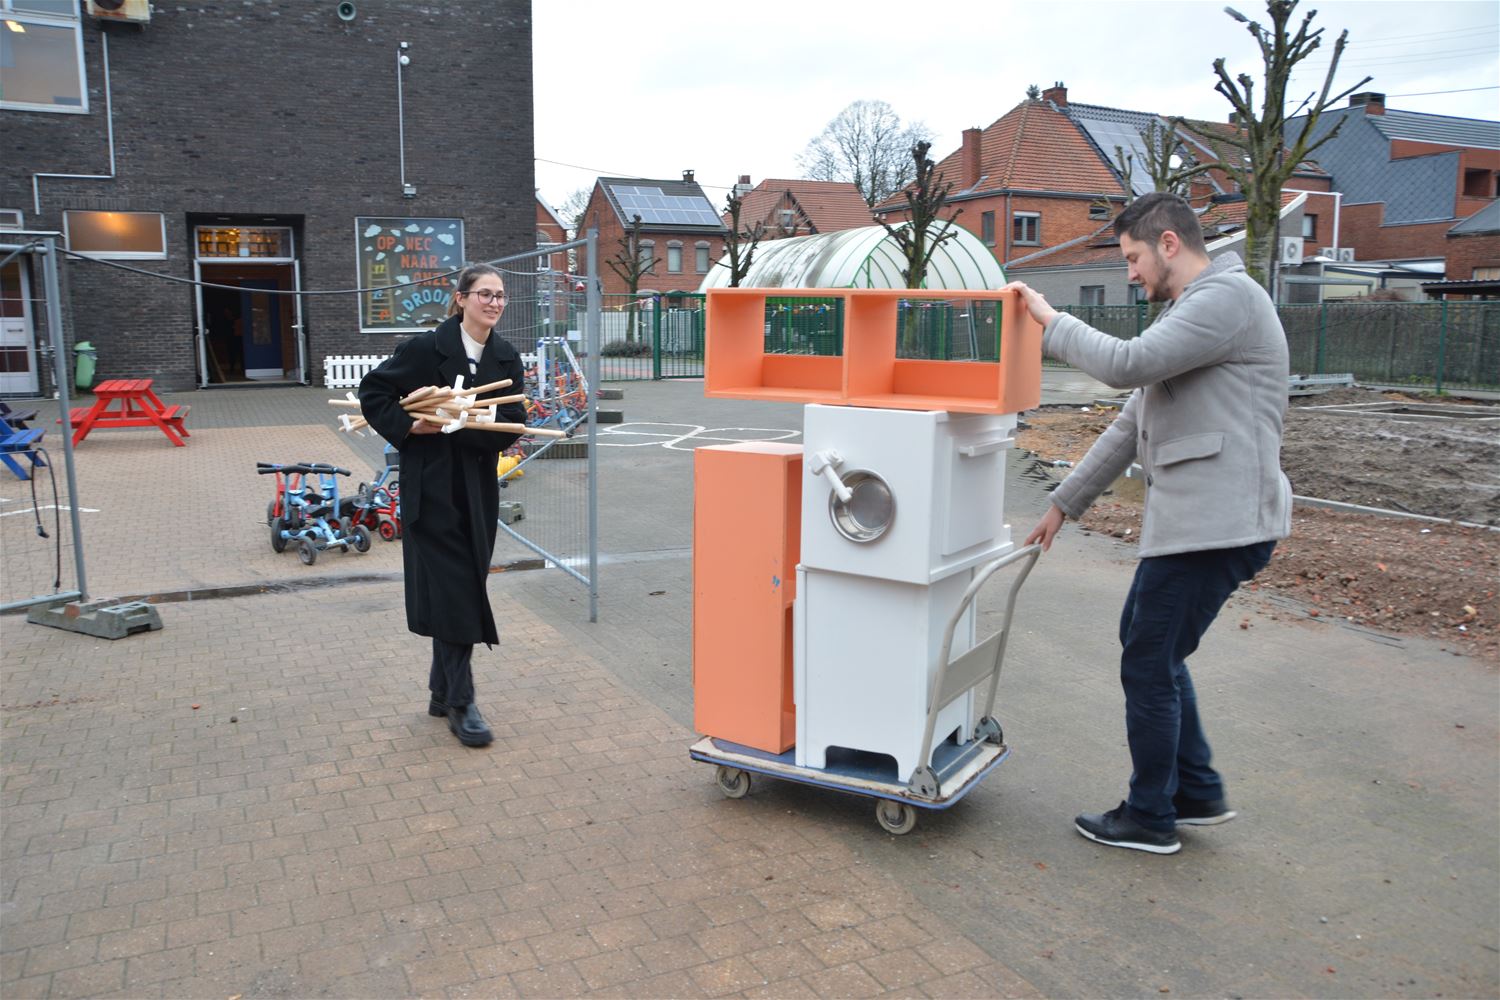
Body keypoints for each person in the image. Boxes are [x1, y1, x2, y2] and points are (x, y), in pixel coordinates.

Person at [1003, 192, 1292, 855]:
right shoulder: (1191, 312)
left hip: (1220, 523)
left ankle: (1150, 815)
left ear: (1168, 243)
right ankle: (1194, 790)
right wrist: (1063, 504)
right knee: (1149, 648)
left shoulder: (1228, 299)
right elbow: (1133, 421)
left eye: (1133, 257)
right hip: (1202, 522)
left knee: (1148, 660)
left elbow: (1123, 366)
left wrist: (1049, 318)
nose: (1130, 273)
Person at [360, 265, 527, 747]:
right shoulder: (424, 349)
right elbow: (374, 392)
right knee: (457, 591)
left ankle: (439, 691)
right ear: (461, 298)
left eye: (500, 295)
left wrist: (462, 423)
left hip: (476, 489)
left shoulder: (505, 356)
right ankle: (461, 702)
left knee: (462, 584)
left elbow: (513, 418)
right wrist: (410, 426)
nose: (493, 303)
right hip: (431, 489)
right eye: (484, 294)